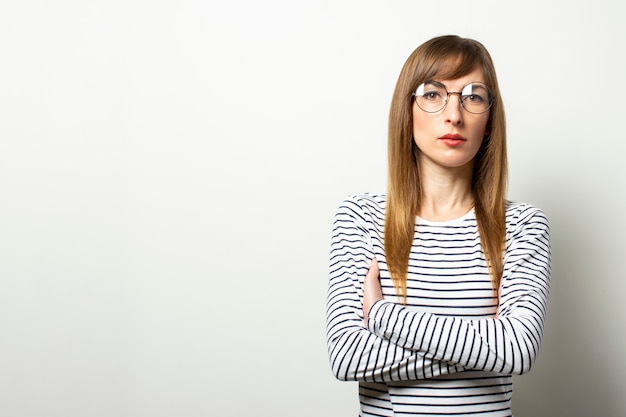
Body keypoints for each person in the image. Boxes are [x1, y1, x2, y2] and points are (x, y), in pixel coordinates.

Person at [326, 35, 551, 416]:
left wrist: (383, 317)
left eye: (473, 96)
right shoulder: (361, 218)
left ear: (490, 119)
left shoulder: (522, 225)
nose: (454, 114)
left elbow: (518, 350)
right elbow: (347, 357)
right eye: (433, 94)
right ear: (407, 109)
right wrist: (486, 347)